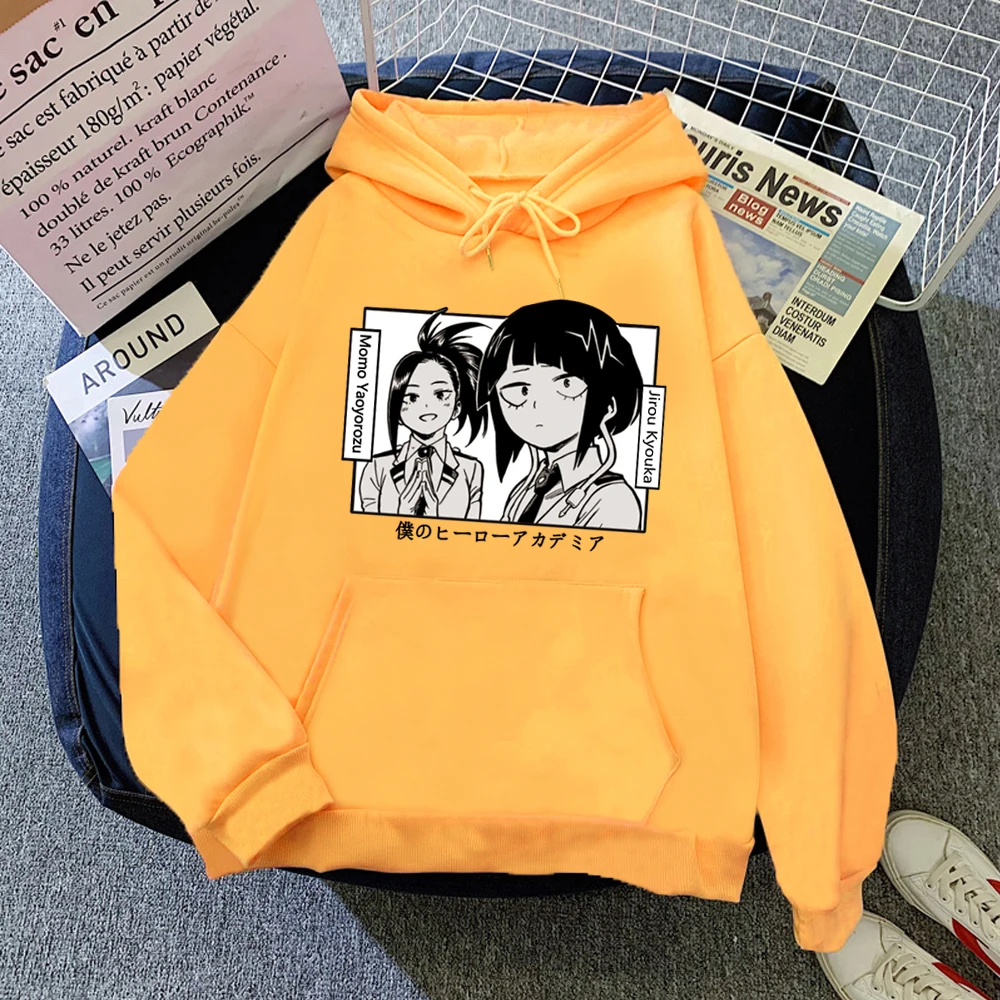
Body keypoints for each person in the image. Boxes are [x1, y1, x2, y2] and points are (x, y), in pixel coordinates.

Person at [477, 299, 644, 531]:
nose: (538, 404)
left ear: (608, 405)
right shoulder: (524, 491)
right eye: (521, 390)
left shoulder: (613, 501)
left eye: (566, 384)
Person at [358, 309, 486, 519]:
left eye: (440, 394)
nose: (426, 405)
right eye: (412, 397)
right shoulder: (377, 468)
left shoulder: (471, 470)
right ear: (398, 411)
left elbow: (470, 531)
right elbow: (367, 531)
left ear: (457, 408)